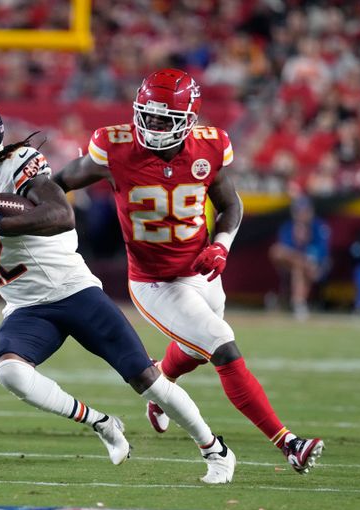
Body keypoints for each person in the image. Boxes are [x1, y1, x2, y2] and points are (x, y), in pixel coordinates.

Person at [0, 96, 235, 484]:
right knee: (10, 373)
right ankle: (102, 423)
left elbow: (60, 215)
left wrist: (3, 224)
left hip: (75, 292)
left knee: (147, 381)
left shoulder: (16, 166)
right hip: (26, 307)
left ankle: (215, 450)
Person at [52, 69, 324, 474]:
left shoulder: (209, 149)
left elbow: (231, 206)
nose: (152, 125)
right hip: (155, 282)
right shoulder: (114, 148)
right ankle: (288, 444)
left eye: (164, 119)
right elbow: (58, 184)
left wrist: (221, 245)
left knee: (198, 348)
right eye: (147, 115)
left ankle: (161, 384)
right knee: (222, 346)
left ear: (189, 120)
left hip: (200, 268)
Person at [269, 196, 331, 320]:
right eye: (298, 211)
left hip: (316, 265)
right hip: (298, 264)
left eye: (304, 211)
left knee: (300, 268)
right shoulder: (288, 227)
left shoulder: (319, 227)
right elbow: (282, 251)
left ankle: (298, 303)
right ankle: (299, 304)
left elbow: (322, 252)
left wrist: (308, 257)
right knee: (283, 255)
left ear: (310, 211)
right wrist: (299, 248)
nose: (301, 214)